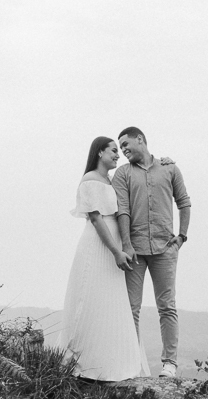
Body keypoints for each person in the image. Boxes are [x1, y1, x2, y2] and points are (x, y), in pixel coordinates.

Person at [57, 136, 150, 381]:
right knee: (91, 297)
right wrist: (115, 251)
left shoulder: (110, 180)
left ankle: (107, 361)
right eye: (113, 150)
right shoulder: (90, 180)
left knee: (109, 301)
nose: (118, 155)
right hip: (99, 245)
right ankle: (82, 361)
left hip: (114, 244)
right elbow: (97, 219)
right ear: (99, 152)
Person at [113, 126, 191, 378]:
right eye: (120, 147)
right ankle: (132, 361)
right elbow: (122, 210)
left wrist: (182, 237)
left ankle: (170, 363)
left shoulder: (170, 168)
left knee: (166, 306)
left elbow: (184, 202)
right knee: (131, 308)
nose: (123, 150)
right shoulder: (123, 173)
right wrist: (126, 244)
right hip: (135, 250)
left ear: (140, 139)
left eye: (126, 144)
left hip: (165, 249)